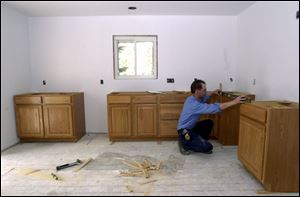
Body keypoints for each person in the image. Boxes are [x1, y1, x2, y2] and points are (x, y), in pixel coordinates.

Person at [177, 79, 246, 155]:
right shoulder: (194, 105)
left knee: (208, 123)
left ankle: (198, 140)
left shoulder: (192, 98)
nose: (206, 92)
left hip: (191, 128)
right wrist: (234, 102)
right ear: (197, 91)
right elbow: (216, 107)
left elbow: (205, 97)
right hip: (184, 131)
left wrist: (213, 92)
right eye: (204, 90)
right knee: (208, 148)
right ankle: (184, 144)